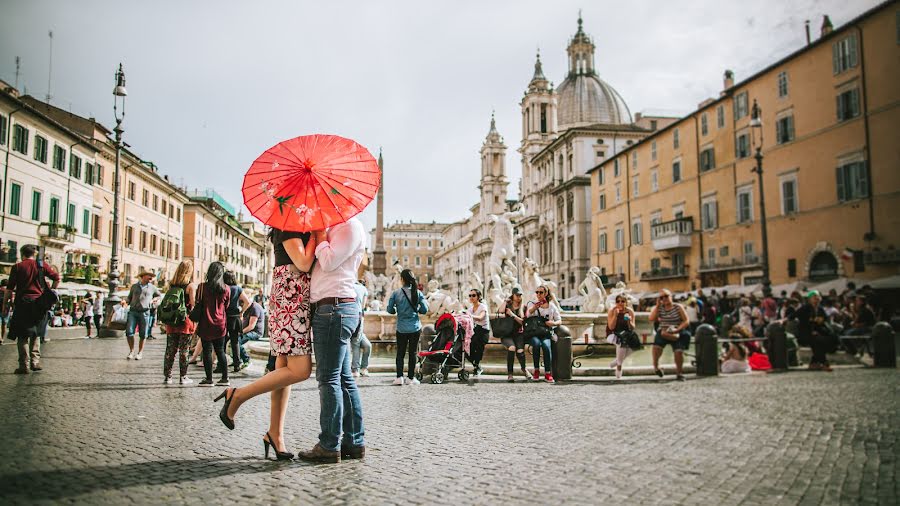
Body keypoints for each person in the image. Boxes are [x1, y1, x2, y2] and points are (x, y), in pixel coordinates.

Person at [218, 228, 316, 461]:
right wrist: (317, 236)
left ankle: (275, 434)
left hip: (292, 297)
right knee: (300, 370)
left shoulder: (295, 222)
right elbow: (302, 263)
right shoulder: (290, 222)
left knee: (282, 369)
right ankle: (237, 395)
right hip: (291, 298)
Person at [297, 217, 366, 464]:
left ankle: (329, 444)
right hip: (333, 308)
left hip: (334, 309)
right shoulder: (337, 228)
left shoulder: (350, 227)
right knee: (344, 378)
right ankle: (354, 441)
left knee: (329, 379)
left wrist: (319, 234)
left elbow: (327, 262)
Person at [4, 245, 60, 374]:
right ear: (34, 254)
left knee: (22, 335)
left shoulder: (17, 267)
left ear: (22, 253)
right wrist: (51, 291)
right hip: (39, 304)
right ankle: (35, 362)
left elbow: (10, 289)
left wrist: (4, 304)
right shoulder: (41, 265)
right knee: (36, 333)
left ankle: (23, 365)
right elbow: (56, 278)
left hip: (23, 304)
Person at [386, 269, 428, 385]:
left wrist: (396, 309)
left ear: (402, 279)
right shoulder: (418, 293)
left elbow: (389, 310)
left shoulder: (396, 293)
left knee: (400, 353)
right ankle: (410, 378)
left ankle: (399, 377)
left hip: (401, 328)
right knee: (412, 353)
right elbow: (425, 310)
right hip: (415, 327)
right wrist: (416, 310)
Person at [195, 262, 231, 386]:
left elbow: (197, 303)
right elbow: (227, 306)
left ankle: (209, 379)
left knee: (207, 351)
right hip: (220, 324)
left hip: (206, 323)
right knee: (220, 351)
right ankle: (225, 378)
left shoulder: (201, 287)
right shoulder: (226, 288)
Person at [163, 260, 197, 385]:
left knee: (170, 349)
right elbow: (193, 303)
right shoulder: (190, 286)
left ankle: (168, 377)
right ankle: (183, 377)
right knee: (184, 350)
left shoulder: (172, 284)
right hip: (186, 321)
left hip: (172, 321)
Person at [649, 288, 691, 381]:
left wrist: (677, 329)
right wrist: (657, 306)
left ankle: (679, 373)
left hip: (677, 331)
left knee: (678, 352)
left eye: (666, 296)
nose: (664, 298)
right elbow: (651, 318)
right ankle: (656, 368)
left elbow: (686, 320)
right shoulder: (659, 308)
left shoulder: (678, 307)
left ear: (671, 296)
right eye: (661, 297)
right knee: (656, 348)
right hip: (663, 331)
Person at [525, 284, 561, 382]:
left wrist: (552, 323)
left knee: (546, 346)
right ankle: (536, 370)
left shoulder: (552, 306)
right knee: (536, 344)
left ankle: (547, 373)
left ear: (546, 293)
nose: (538, 294)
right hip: (534, 332)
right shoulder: (532, 303)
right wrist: (535, 308)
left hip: (546, 333)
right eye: (537, 292)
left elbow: (559, 320)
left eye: (541, 292)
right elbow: (527, 315)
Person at [125, 271, 161, 360]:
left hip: (145, 312)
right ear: (143, 276)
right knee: (129, 332)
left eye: (152, 276)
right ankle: (131, 351)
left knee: (143, 334)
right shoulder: (134, 286)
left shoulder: (152, 287)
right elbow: (129, 297)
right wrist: (125, 302)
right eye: (149, 276)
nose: (151, 278)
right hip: (133, 311)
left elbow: (159, 296)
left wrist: (154, 299)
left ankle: (140, 352)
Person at [795, 290, 836, 372]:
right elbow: (794, 315)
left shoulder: (820, 309)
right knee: (818, 341)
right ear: (809, 299)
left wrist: (821, 320)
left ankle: (814, 363)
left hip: (817, 332)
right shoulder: (805, 308)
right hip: (805, 333)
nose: (816, 300)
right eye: (814, 298)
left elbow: (825, 319)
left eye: (817, 298)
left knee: (828, 339)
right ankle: (824, 363)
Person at [223, 271, 251, 374]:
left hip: (224, 317)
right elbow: (247, 302)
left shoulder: (223, 288)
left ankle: (221, 365)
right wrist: (241, 312)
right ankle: (236, 364)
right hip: (235, 317)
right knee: (235, 342)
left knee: (222, 342)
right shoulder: (238, 289)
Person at [497, 286, 527, 382]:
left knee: (520, 351)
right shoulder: (508, 305)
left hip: (518, 334)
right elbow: (500, 311)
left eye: (520, 295)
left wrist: (512, 315)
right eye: (517, 295)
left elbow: (522, 322)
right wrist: (505, 301)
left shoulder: (523, 307)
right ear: (513, 295)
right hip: (507, 334)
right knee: (512, 348)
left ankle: (524, 369)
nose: (519, 297)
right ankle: (510, 374)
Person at [607, 294, 637, 379]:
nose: (620, 303)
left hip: (626, 334)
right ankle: (619, 370)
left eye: (623, 301)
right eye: (618, 301)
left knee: (635, 346)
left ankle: (616, 362)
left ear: (626, 303)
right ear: (615, 303)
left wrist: (629, 321)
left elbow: (632, 327)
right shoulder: (612, 310)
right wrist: (616, 316)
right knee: (622, 342)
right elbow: (611, 327)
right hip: (613, 334)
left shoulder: (630, 311)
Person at [351, 272, 371, 378]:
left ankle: (363, 368)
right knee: (356, 343)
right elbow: (363, 306)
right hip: (358, 318)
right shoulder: (364, 290)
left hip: (349, 317)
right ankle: (355, 370)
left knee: (367, 345)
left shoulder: (350, 286)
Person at [466, 288, 490, 376]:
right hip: (475, 331)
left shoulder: (483, 306)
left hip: (483, 331)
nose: (471, 297)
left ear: (478, 297)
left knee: (477, 343)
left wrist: (469, 315)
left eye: (473, 295)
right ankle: (477, 365)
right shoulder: (470, 309)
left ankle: (477, 365)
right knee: (466, 347)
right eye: (470, 295)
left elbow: (480, 317)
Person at [237, 294, 264, 369]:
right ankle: (237, 360)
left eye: (242, 306)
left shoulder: (255, 308)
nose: (242, 308)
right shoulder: (247, 309)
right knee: (233, 340)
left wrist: (240, 332)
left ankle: (246, 360)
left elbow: (251, 326)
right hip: (247, 331)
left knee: (237, 342)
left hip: (255, 332)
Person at [0, 279, 8, 345]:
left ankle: (0, 338)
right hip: (6, 310)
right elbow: (12, 300)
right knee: (4, 324)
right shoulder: (8, 291)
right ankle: (2, 338)